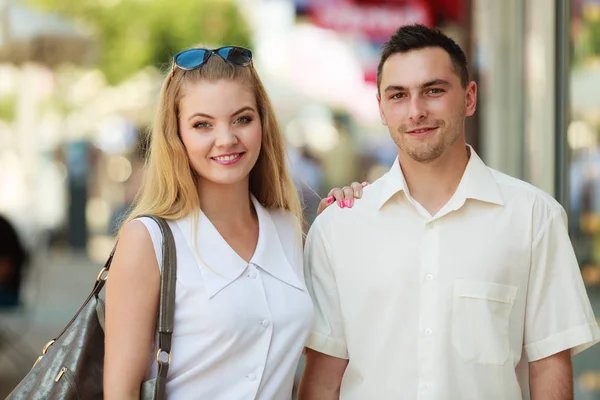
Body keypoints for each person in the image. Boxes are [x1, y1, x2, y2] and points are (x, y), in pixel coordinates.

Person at [299, 24, 600, 400]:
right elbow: (324, 377)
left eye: (434, 90)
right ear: (381, 108)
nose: (416, 111)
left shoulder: (534, 217)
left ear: (469, 97)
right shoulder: (339, 227)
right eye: (398, 95)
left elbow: (549, 367)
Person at [103, 45, 364, 399]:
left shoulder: (288, 230)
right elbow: (120, 393)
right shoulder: (148, 240)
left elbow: (317, 344)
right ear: (176, 134)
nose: (226, 139)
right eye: (202, 124)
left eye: (242, 119)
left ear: (262, 123)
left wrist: (355, 217)